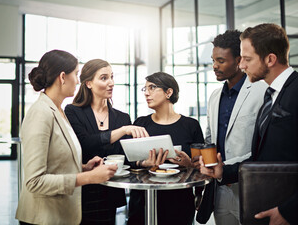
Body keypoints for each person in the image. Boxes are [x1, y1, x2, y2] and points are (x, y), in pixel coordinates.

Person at [200, 23, 298, 225]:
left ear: (270, 59)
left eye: (247, 59)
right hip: (266, 200)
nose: (242, 65)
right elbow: (261, 157)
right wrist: (222, 171)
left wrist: (289, 211)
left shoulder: (289, 92)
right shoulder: (272, 97)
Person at [15, 50, 117, 225]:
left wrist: (84, 168)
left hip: (60, 216)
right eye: (76, 74)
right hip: (43, 218)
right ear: (63, 77)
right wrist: (89, 178)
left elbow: (56, 163)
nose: (78, 81)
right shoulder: (41, 113)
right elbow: (34, 181)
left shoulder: (59, 111)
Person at [65, 59, 148, 225]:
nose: (111, 83)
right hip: (83, 191)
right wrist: (122, 130)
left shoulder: (122, 117)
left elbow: (127, 156)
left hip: (111, 191)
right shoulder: (73, 111)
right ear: (88, 83)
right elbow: (85, 143)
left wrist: (143, 162)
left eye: (111, 77)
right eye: (104, 78)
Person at [204, 30, 267, 225]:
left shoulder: (262, 90)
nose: (214, 66)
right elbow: (210, 139)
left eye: (221, 61)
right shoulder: (214, 96)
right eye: (213, 60)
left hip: (251, 188)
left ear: (239, 60)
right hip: (220, 190)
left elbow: (263, 145)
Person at [127, 72, 204, 225]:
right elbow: (127, 160)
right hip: (143, 200)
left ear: (169, 92)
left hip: (179, 202)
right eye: (145, 89)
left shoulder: (191, 125)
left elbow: (202, 167)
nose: (146, 93)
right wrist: (143, 163)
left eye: (152, 87)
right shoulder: (140, 124)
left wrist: (188, 164)